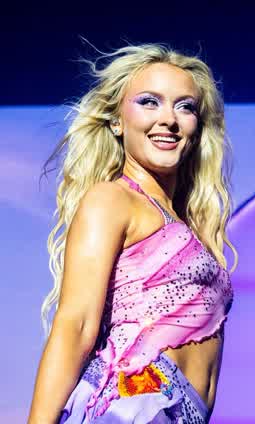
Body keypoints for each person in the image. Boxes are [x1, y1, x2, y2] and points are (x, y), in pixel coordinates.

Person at [27, 43, 237, 424]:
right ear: (117, 122)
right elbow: (76, 324)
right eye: (149, 102)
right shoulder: (112, 199)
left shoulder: (182, 222)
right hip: (136, 402)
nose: (169, 119)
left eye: (185, 107)